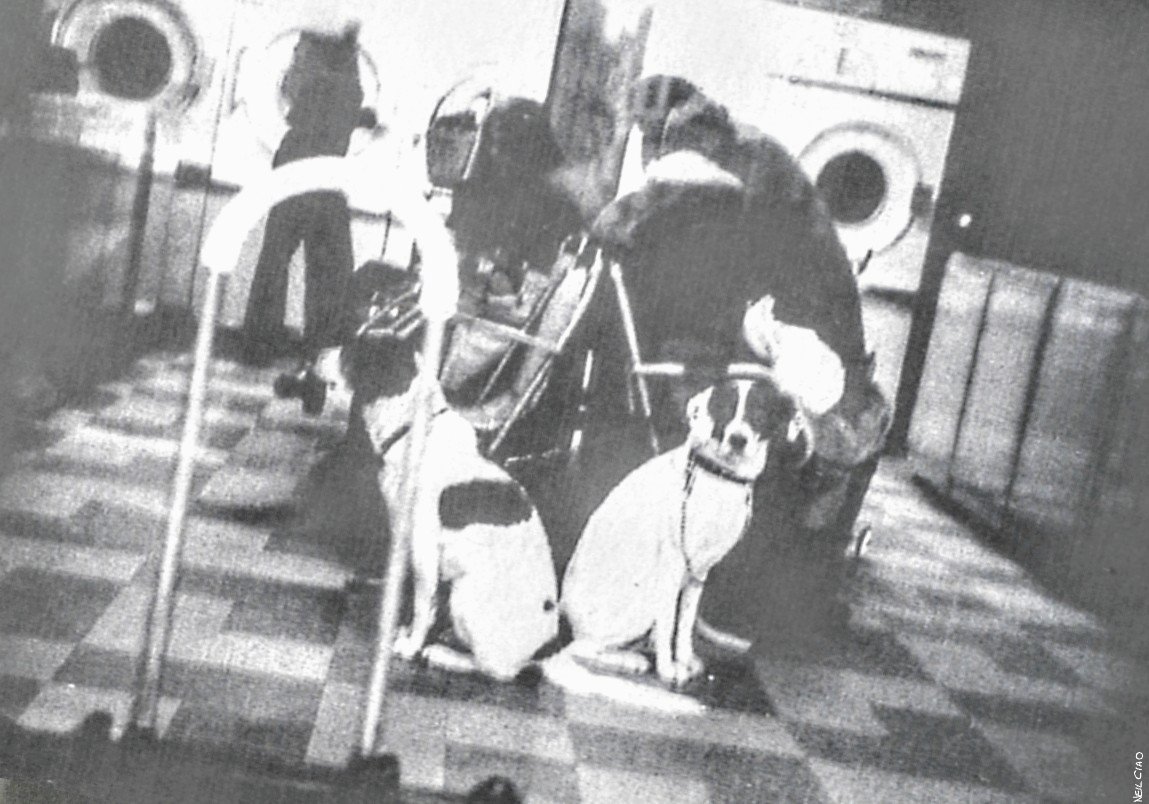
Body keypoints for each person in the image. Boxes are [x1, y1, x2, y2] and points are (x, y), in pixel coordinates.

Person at [241, 24, 375, 376]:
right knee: (328, 266)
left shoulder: (312, 67)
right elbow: (347, 114)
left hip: (296, 164)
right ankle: (320, 348)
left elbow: (291, 107)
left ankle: (259, 344)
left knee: (276, 258)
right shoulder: (351, 79)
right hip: (325, 171)